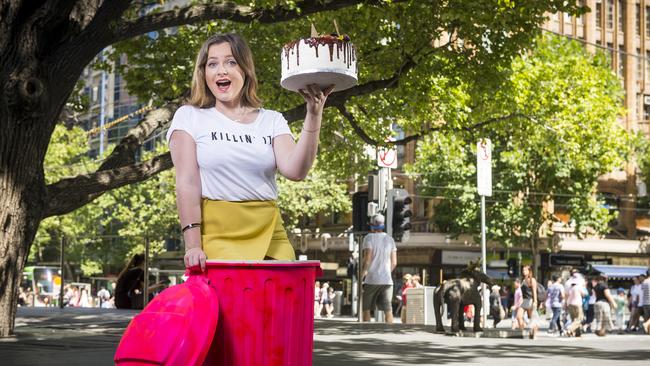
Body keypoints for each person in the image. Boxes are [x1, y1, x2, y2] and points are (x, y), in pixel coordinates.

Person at [167, 33, 333, 269]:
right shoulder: (189, 116)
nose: (221, 70)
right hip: (216, 234)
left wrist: (314, 113)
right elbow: (187, 182)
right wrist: (192, 245)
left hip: (270, 232)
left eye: (231, 62)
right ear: (204, 73)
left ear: (245, 70)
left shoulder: (273, 120)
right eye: (212, 64)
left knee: (281, 304)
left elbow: (295, 171)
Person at [361, 214, 397, 324]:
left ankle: (366, 333)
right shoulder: (390, 239)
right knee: (388, 310)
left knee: (366, 309)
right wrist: (386, 273)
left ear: (372, 226)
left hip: (371, 279)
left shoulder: (368, 238)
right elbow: (394, 262)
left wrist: (362, 275)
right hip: (387, 281)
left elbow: (367, 259)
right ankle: (389, 335)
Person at [516, 265, 539, 339]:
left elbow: (534, 292)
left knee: (532, 318)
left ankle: (533, 334)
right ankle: (523, 331)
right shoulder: (523, 280)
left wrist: (535, 301)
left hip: (530, 301)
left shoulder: (532, 280)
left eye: (525, 270)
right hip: (524, 301)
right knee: (519, 316)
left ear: (529, 271)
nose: (523, 272)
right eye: (523, 270)